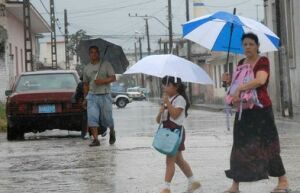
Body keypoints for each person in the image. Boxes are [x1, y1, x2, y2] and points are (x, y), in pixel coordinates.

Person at [223, 33, 290, 193]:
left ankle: (283, 180)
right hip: (244, 110)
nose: (247, 47)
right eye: (245, 44)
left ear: (257, 46)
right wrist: (229, 81)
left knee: (268, 145)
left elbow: (260, 80)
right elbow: (235, 87)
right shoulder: (240, 63)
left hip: (261, 110)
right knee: (239, 146)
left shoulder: (263, 61)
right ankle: (235, 185)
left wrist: (241, 87)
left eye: (251, 44)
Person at [156, 76, 201, 193]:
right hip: (167, 132)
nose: (164, 87)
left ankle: (166, 188)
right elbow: (158, 121)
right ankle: (193, 181)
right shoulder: (168, 99)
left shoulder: (180, 99)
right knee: (179, 160)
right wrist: (160, 112)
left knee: (169, 161)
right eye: (164, 85)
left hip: (175, 133)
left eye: (168, 85)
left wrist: (167, 103)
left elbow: (175, 115)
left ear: (176, 86)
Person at [83, 45, 116, 147]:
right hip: (92, 96)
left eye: (95, 52)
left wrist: (102, 81)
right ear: (89, 54)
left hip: (105, 95)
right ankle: (96, 139)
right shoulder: (86, 68)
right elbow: (85, 84)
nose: (94, 54)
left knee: (107, 118)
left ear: (99, 53)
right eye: (91, 52)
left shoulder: (106, 65)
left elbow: (113, 78)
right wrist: (85, 98)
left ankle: (112, 131)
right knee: (92, 118)